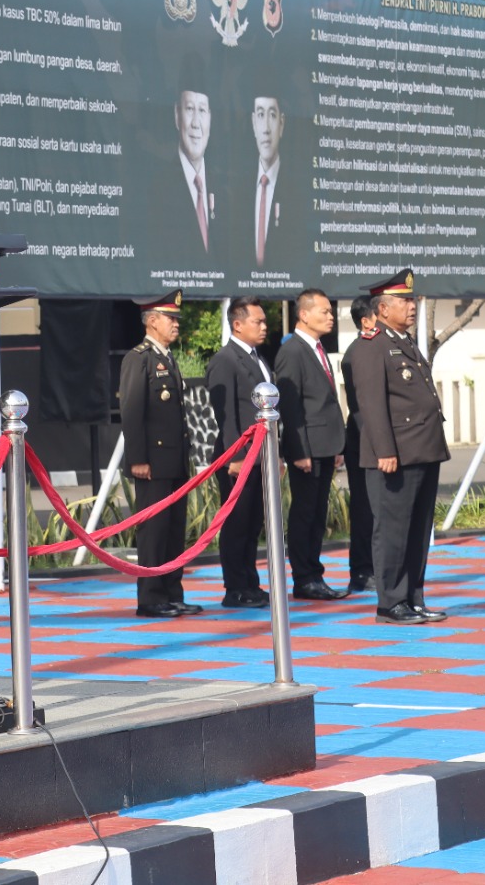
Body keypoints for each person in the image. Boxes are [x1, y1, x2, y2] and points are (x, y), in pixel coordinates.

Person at [351, 269, 450, 625]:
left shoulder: (404, 341)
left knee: (418, 529)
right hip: (395, 454)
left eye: (412, 300)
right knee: (393, 529)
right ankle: (390, 603)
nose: (412, 307)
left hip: (422, 449)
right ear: (382, 308)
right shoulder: (372, 345)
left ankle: (412, 598)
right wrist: (384, 450)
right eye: (404, 301)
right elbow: (372, 404)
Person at [118, 290, 202, 619]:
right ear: (152, 321)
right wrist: (138, 458)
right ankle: (151, 598)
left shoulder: (167, 357)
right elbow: (132, 411)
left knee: (173, 530)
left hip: (173, 461)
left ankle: (172, 591)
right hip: (151, 462)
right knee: (153, 533)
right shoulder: (138, 358)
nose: (176, 324)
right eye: (171, 318)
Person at [274, 288, 347, 600]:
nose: (330, 317)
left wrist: (336, 446)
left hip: (324, 445)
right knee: (305, 514)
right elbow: (290, 408)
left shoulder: (316, 348)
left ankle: (314, 575)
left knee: (317, 513)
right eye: (324, 312)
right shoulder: (292, 352)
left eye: (331, 312)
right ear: (303, 315)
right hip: (307, 448)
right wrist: (298, 450)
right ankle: (304, 578)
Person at [205, 296, 272, 607]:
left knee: (253, 523)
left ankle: (250, 583)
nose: (264, 326)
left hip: (261, 454)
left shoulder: (256, 358)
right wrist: (235, 457)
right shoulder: (226, 359)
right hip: (240, 457)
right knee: (237, 524)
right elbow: (226, 413)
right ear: (237, 324)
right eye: (257, 321)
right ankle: (235, 588)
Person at [339, 297, 379, 593]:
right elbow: (361, 407)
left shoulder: (380, 349)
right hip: (365, 441)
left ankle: (378, 567)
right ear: (366, 320)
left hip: (382, 441)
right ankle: (362, 571)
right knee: (365, 510)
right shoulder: (356, 354)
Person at [246, 95, 298, 270]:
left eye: (272, 115)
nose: (266, 128)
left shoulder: (297, 189)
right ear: (253, 123)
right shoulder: (236, 192)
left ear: (281, 124)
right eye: (261, 115)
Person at [173, 89, 215, 254]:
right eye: (190, 109)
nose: (196, 123)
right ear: (177, 116)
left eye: (202, 110)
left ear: (210, 119)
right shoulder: (156, 189)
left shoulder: (227, 192)